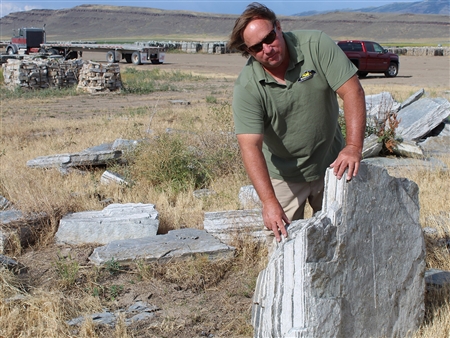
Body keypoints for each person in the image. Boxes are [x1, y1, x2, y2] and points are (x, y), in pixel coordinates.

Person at [228, 2, 366, 243]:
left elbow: (352, 91)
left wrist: (353, 147)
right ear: (249, 52)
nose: (267, 48)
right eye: (257, 47)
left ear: (279, 27)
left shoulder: (316, 45)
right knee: (284, 250)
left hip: (333, 164)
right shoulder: (247, 87)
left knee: (346, 240)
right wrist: (269, 202)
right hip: (285, 175)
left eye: (269, 37)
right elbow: (250, 146)